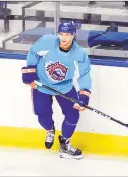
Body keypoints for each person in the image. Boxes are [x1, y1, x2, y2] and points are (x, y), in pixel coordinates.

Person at [21, 20, 92, 159]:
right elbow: (33, 52)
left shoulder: (79, 54)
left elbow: (84, 74)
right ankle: (50, 130)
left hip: (64, 87)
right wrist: (30, 73)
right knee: (42, 115)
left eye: (67, 34)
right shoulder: (47, 41)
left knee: (73, 115)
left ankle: (65, 144)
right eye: (61, 34)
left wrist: (83, 95)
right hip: (42, 85)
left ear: (73, 35)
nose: (64, 38)